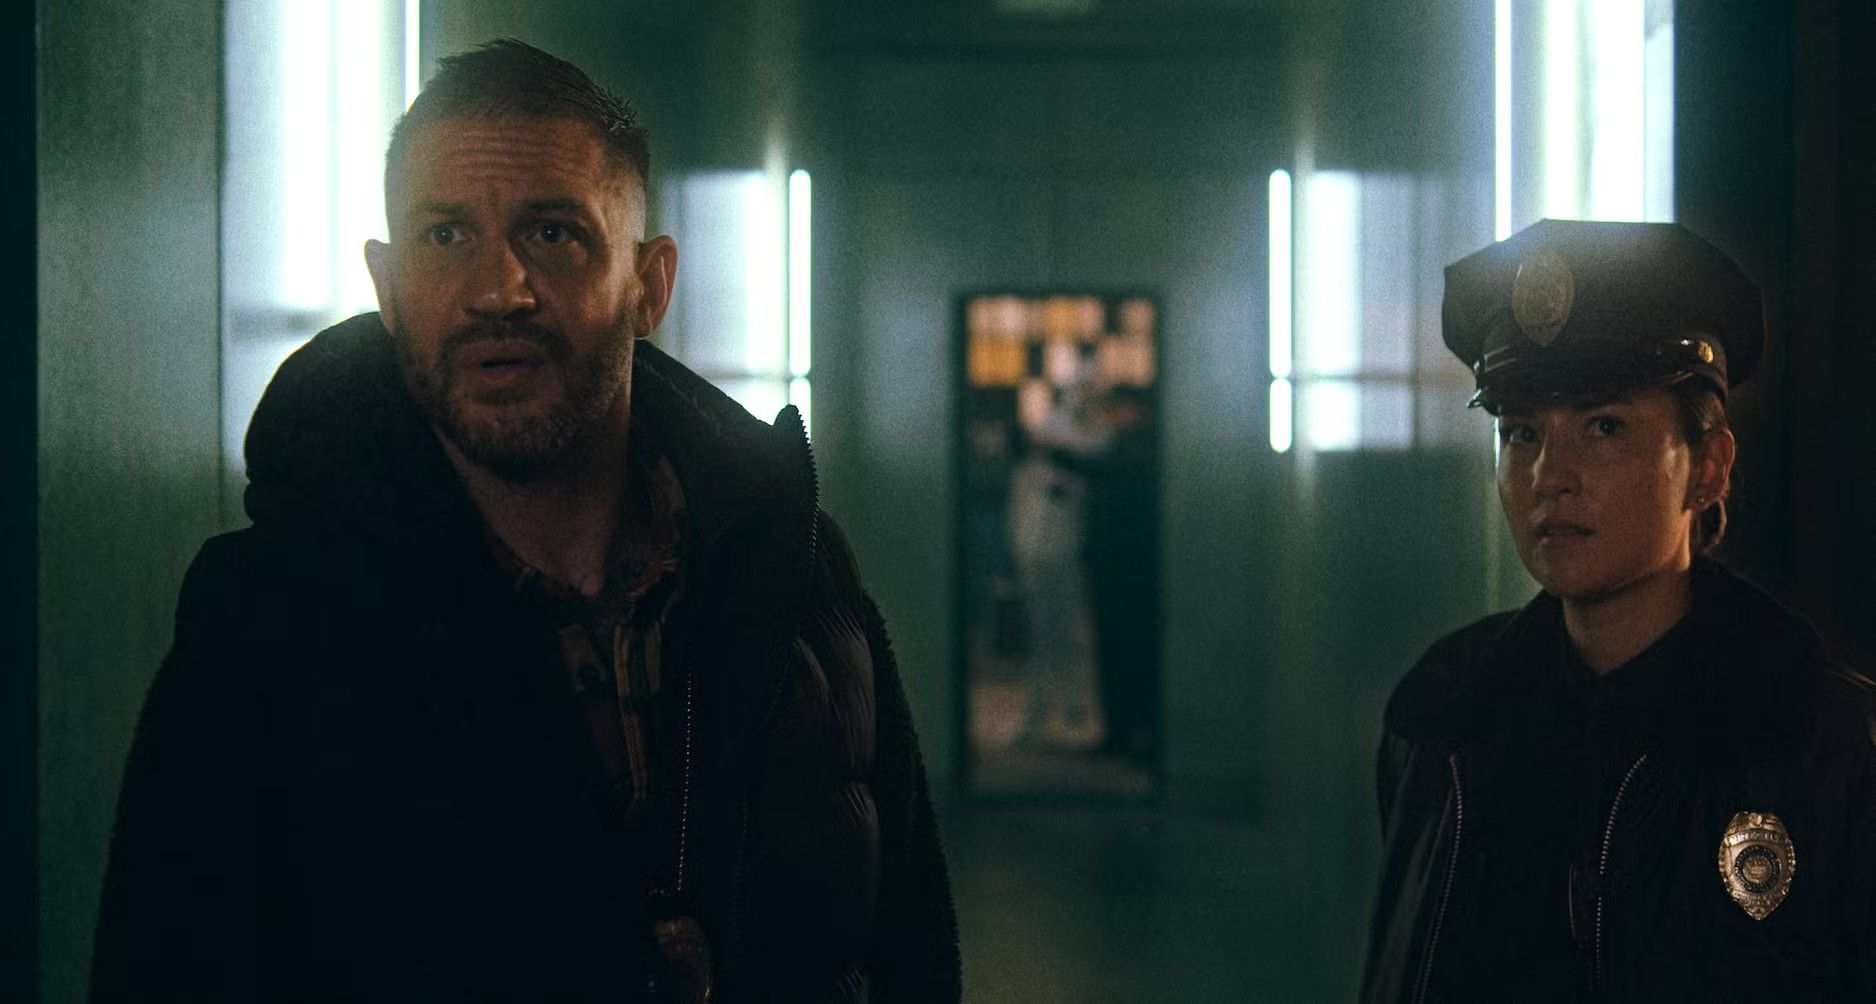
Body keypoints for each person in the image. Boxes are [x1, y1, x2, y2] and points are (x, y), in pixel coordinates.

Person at [91, 39, 960, 1002]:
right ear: (387, 287)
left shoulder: (794, 571)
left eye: (552, 234)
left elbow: (908, 948)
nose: (498, 291)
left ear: (649, 286)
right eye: (445, 236)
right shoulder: (265, 623)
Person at [1361, 220, 1876, 1000]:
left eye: (1603, 427)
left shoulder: (1824, 747)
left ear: (1707, 468)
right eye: (1520, 432)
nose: (1550, 475)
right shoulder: (1442, 726)